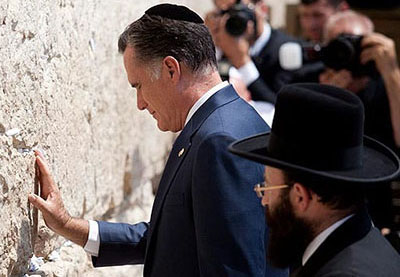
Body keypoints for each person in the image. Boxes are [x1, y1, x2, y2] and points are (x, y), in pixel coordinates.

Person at [28, 4, 287, 277]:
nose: (140, 104)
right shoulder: (225, 121)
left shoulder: (218, 141)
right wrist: (68, 225)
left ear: (171, 69)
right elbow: (176, 238)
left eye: (138, 85)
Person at [229, 82, 400, 276]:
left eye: (266, 187)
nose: (264, 200)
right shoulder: (362, 244)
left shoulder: (342, 272)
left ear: (301, 196)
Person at [205, 0, 298, 104]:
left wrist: (243, 63)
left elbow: (282, 106)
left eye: (241, 10)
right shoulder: (222, 43)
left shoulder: (287, 49)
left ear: (263, 9)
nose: (235, 18)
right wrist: (211, 45)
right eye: (227, 12)